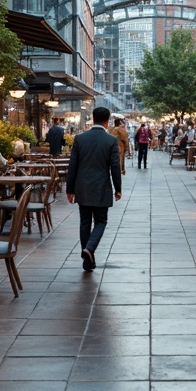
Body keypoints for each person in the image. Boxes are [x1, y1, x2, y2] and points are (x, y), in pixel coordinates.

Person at [67, 106, 122, 272]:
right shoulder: (111, 141)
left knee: (85, 222)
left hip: (82, 186)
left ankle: (87, 261)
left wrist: (70, 189)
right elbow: (115, 167)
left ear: (92, 117)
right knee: (101, 221)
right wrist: (118, 188)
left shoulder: (80, 138)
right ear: (107, 121)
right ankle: (89, 250)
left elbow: (73, 166)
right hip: (100, 185)